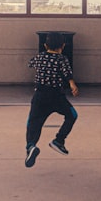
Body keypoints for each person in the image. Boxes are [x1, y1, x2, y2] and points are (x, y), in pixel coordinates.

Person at [25, 32, 79, 168]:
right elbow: (68, 74)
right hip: (56, 96)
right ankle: (59, 140)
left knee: (33, 123)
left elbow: (30, 64)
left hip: (40, 96)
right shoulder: (62, 59)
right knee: (72, 115)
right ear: (63, 45)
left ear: (45, 45)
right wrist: (73, 85)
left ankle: (31, 146)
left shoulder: (40, 57)